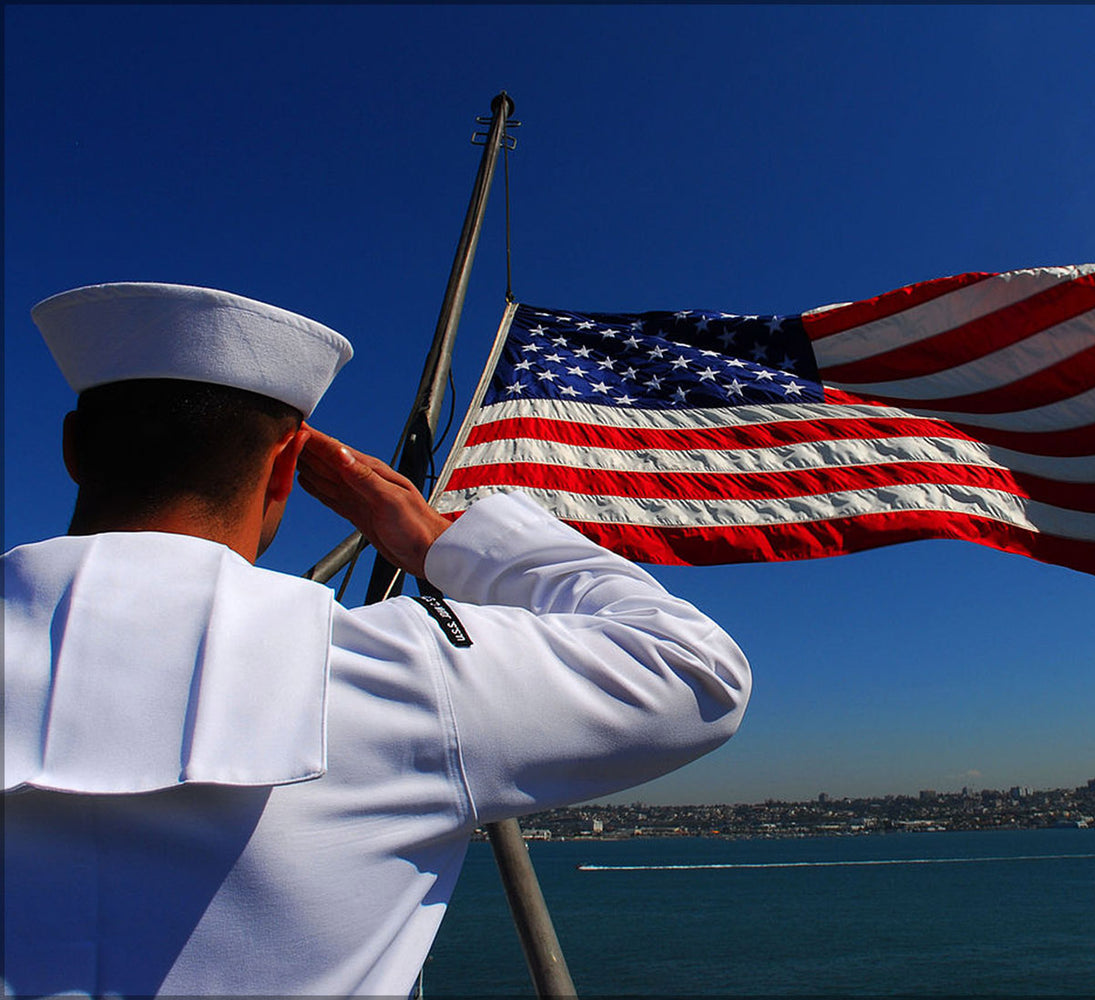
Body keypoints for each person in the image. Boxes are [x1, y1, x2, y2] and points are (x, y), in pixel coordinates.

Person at [3, 282, 751, 996]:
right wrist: (439, 544)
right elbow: (697, 669)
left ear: (73, 449)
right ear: (285, 468)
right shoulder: (396, 674)